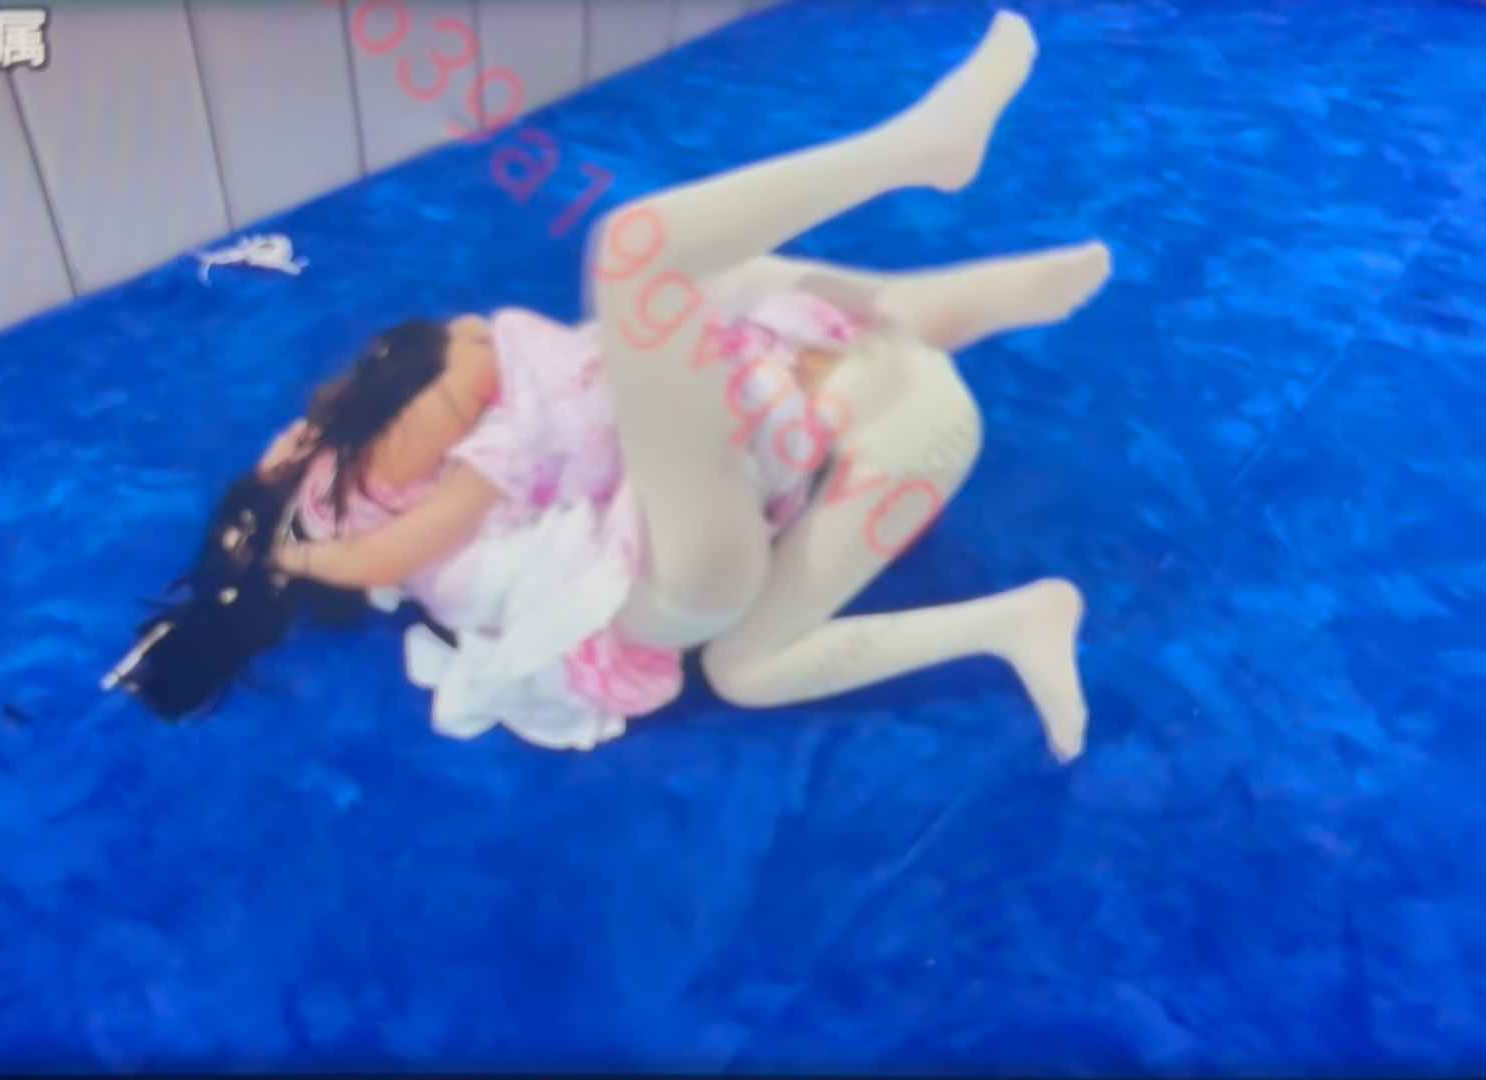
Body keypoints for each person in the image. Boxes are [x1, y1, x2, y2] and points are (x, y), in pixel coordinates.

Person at [106, 10, 1110, 762]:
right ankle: (918, 156)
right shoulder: (430, 504)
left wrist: (291, 513)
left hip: (742, 519)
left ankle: (955, 356)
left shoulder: (367, 485)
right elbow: (455, 385)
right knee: (634, 262)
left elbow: (408, 402)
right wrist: (299, 550)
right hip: (684, 569)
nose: (313, 428)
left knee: (746, 663)